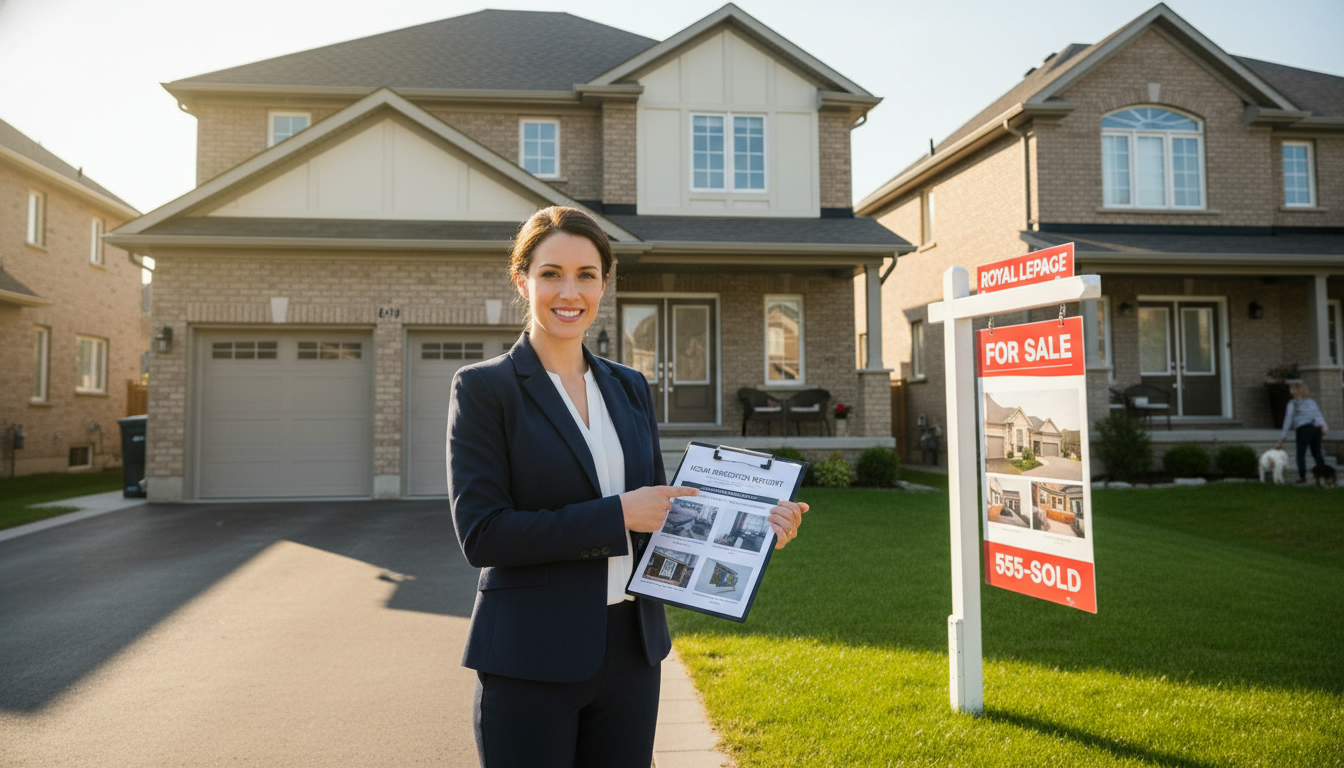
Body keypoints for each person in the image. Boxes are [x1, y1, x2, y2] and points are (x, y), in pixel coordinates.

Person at [446, 206, 808, 767]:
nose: (570, 291)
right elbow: (485, 535)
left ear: (605, 284)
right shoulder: (485, 389)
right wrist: (615, 514)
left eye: (587, 274)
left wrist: (753, 523)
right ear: (522, 280)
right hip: (530, 656)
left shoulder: (629, 386)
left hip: (632, 656)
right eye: (551, 273)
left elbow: (660, 510)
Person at [1275, 380, 1329, 484]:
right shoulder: (1311, 401)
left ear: (1294, 391)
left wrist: (1283, 437)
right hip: (1315, 428)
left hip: (1303, 429)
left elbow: (1288, 420)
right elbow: (1318, 415)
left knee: (1301, 454)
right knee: (1317, 453)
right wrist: (1324, 427)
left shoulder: (1293, 404)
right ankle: (1323, 475)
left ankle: (1302, 476)